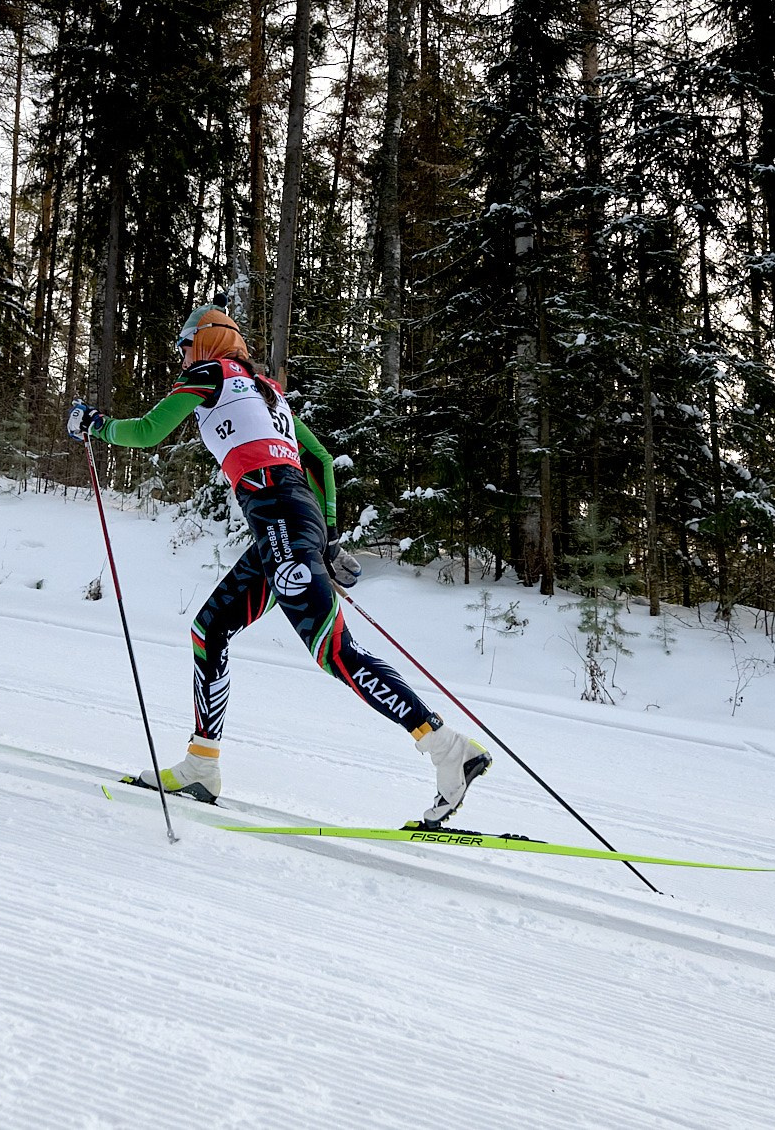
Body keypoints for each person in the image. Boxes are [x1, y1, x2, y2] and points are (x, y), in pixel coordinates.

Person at [68, 300, 491, 827]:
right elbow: (317, 459)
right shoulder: (269, 391)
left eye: (184, 344)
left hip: (278, 517)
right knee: (211, 628)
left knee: (334, 652)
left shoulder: (210, 374)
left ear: (207, 342)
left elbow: (150, 431)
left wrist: (96, 424)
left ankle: (448, 748)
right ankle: (202, 765)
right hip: (289, 519)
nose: (180, 356)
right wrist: (328, 536)